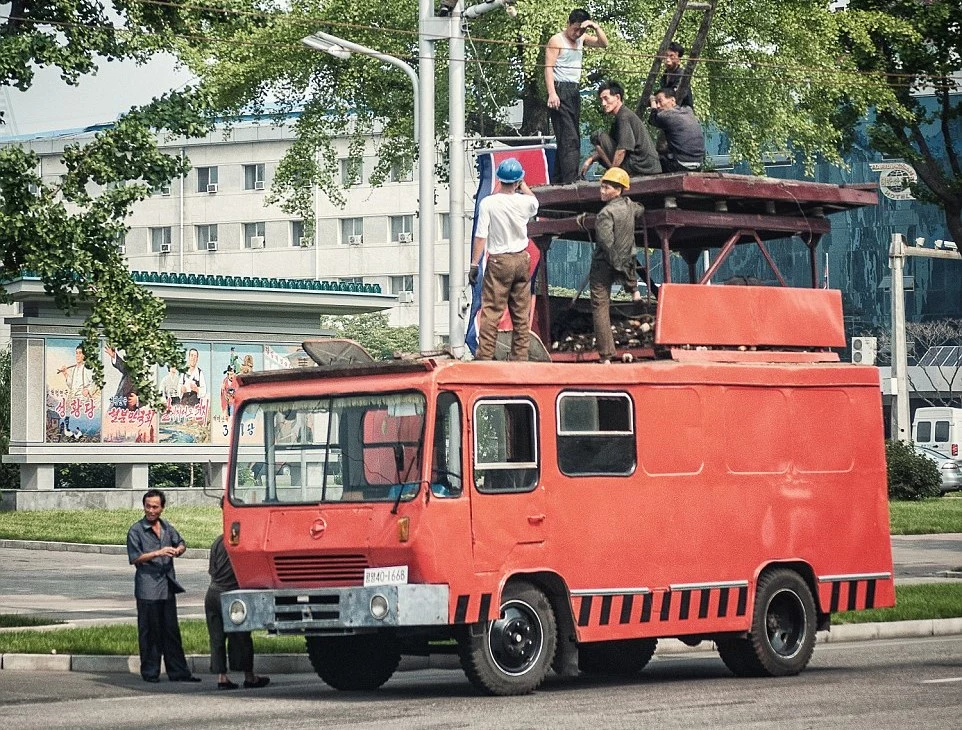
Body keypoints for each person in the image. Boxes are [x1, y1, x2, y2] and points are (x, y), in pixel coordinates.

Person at [468, 157, 540, 361]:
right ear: (517, 182)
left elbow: (481, 235)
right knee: (520, 313)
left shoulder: (489, 203)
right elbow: (535, 201)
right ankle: (520, 358)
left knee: (491, 311)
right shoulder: (525, 202)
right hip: (521, 260)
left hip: (499, 261)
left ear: (499, 179)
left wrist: (474, 264)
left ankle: (485, 357)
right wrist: (524, 184)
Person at [126, 489, 200, 683]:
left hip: (167, 586)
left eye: (155, 507)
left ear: (162, 508)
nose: (151, 510)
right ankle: (150, 672)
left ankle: (179, 672)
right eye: (148, 506)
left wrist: (178, 550)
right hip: (148, 588)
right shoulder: (136, 530)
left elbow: (181, 543)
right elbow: (135, 558)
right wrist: (158, 553)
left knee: (171, 631)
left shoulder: (167, 527)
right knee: (150, 632)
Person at [205, 501, 270, 691]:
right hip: (232, 594)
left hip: (212, 594)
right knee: (242, 636)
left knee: (216, 637)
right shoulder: (238, 539)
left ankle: (221, 677)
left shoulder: (218, 540)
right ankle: (249, 676)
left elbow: (212, 570)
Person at [545, 9, 609, 184]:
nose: (577, 33)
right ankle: (571, 179)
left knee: (570, 136)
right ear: (568, 24)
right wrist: (552, 93)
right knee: (569, 138)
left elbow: (604, 43)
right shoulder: (557, 40)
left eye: (581, 30)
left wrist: (595, 27)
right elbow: (548, 68)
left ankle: (558, 179)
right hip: (560, 89)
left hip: (574, 90)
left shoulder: (581, 38)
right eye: (575, 29)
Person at [589, 167, 644, 363]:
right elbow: (640, 209)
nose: (602, 191)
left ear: (619, 190)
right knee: (628, 262)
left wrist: (616, 265)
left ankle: (606, 355)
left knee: (600, 305)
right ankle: (634, 290)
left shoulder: (605, 214)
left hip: (604, 264)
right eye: (602, 187)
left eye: (607, 188)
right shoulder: (630, 206)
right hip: (626, 260)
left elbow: (606, 243)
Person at [582, 80, 661, 178]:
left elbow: (622, 150)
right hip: (645, 165)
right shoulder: (620, 117)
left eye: (606, 98)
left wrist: (611, 176)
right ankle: (614, 172)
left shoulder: (623, 117)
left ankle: (613, 174)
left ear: (617, 97)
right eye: (601, 100)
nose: (603, 103)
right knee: (600, 155)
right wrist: (590, 160)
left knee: (597, 136)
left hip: (642, 166)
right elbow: (605, 148)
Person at [649, 87, 705, 172]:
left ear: (672, 100)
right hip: (698, 164)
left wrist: (652, 101)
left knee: (649, 158)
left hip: (680, 164)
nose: (658, 106)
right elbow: (688, 97)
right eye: (656, 102)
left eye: (660, 101)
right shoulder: (688, 110)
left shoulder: (666, 115)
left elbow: (652, 119)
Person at [659, 41, 693, 109]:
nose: (667, 59)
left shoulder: (682, 75)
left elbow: (674, 94)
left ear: (679, 59)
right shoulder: (664, 76)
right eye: (666, 56)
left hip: (682, 112)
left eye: (671, 56)